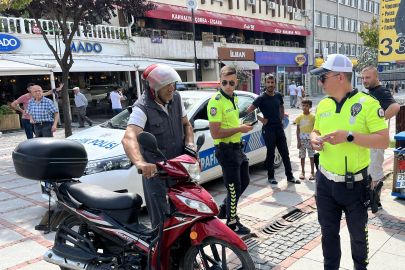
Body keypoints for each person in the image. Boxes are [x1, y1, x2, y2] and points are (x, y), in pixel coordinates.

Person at [310, 54, 389, 270]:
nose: (320, 82)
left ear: (340, 77)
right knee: (328, 234)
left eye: (323, 78)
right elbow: (316, 129)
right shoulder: (323, 105)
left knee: (358, 237)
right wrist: (314, 138)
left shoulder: (368, 104)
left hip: (355, 185)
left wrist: (350, 136)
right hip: (325, 181)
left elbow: (384, 141)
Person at [122, 64, 195, 228]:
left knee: (183, 215)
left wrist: (190, 146)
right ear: (152, 88)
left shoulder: (176, 98)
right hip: (156, 172)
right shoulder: (142, 107)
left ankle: (182, 252)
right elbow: (129, 137)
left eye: (172, 83)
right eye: (165, 85)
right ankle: (161, 252)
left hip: (178, 168)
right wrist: (141, 163)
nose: (171, 88)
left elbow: (187, 125)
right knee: (161, 222)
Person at [208, 65, 254, 234]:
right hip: (226, 150)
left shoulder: (233, 98)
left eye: (231, 82)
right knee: (233, 187)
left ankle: (224, 209)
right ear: (220, 81)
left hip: (237, 149)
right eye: (225, 82)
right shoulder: (216, 102)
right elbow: (215, 133)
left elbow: (232, 122)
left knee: (245, 181)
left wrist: (242, 126)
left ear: (236, 82)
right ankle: (232, 222)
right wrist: (240, 129)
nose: (228, 85)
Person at [246, 74, 299, 185]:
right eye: (268, 82)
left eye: (272, 82)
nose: (270, 84)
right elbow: (248, 111)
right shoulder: (261, 98)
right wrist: (261, 119)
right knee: (270, 154)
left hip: (279, 129)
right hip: (268, 130)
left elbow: (281, 106)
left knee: (285, 153)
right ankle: (271, 176)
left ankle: (290, 176)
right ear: (265, 83)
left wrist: (283, 119)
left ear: (275, 83)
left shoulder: (278, 95)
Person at [361, 66, 400, 209]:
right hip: (370, 139)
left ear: (376, 77)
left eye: (368, 77)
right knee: (371, 171)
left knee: (375, 171)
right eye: (363, 78)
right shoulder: (372, 91)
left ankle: (375, 202)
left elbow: (395, 107)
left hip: (375, 139)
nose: (365, 80)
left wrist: (379, 121)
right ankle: (372, 200)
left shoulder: (380, 91)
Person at [295, 99, 316, 180]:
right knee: (302, 156)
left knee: (311, 156)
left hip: (310, 140)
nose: (304, 107)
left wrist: (314, 140)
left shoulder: (313, 117)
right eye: (303, 105)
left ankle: (312, 172)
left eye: (307, 106)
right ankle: (302, 172)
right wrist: (298, 141)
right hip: (302, 140)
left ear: (310, 107)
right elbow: (298, 130)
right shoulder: (299, 117)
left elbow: (315, 129)